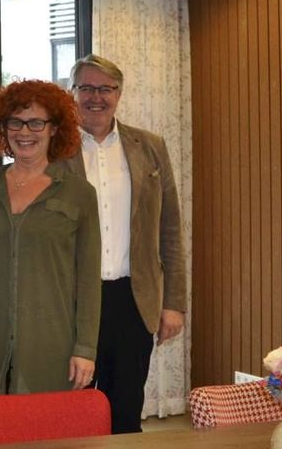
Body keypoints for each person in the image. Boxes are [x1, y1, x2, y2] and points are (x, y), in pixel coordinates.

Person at [64, 54, 187, 433]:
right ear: (73, 93)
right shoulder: (54, 149)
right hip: (72, 300)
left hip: (132, 300)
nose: (96, 97)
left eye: (106, 88)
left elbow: (169, 229)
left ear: (119, 94)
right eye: (87, 87)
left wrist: (174, 304)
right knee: (72, 406)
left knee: (126, 407)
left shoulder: (149, 146)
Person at [0, 79, 101, 395]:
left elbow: (89, 280)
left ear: (54, 128)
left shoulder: (79, 193)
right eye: (16, 122)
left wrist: (86, 348)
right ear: (3, 127)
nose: (25, 132)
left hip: (51, 343)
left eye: (36, 122)